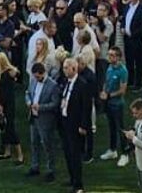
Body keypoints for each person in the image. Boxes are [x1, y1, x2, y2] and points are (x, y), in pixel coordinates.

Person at [58, 56, 94, 193]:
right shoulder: (66, 82)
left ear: (74, 68)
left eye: (66, 68)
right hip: (65, 122)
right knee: (67, 152)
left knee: (75, 154)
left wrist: (84, 125)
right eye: (63, 68)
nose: (64, 70)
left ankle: (78, 185)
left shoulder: (82, 84)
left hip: (76, 124)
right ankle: (72, 178)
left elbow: (87, 107)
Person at [27, 61, 60, 180]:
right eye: (35, 77)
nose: (36, 79)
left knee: (47, 144)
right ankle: (35, 166)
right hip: (33, 118)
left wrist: (40, 107)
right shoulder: (33, 81)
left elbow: (55, 104)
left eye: (38, 77)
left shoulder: (53, 85)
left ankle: (51, 170)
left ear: (43, 73)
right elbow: (28, 93)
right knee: (34, 143)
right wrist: (29, 102)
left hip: (45, 119)